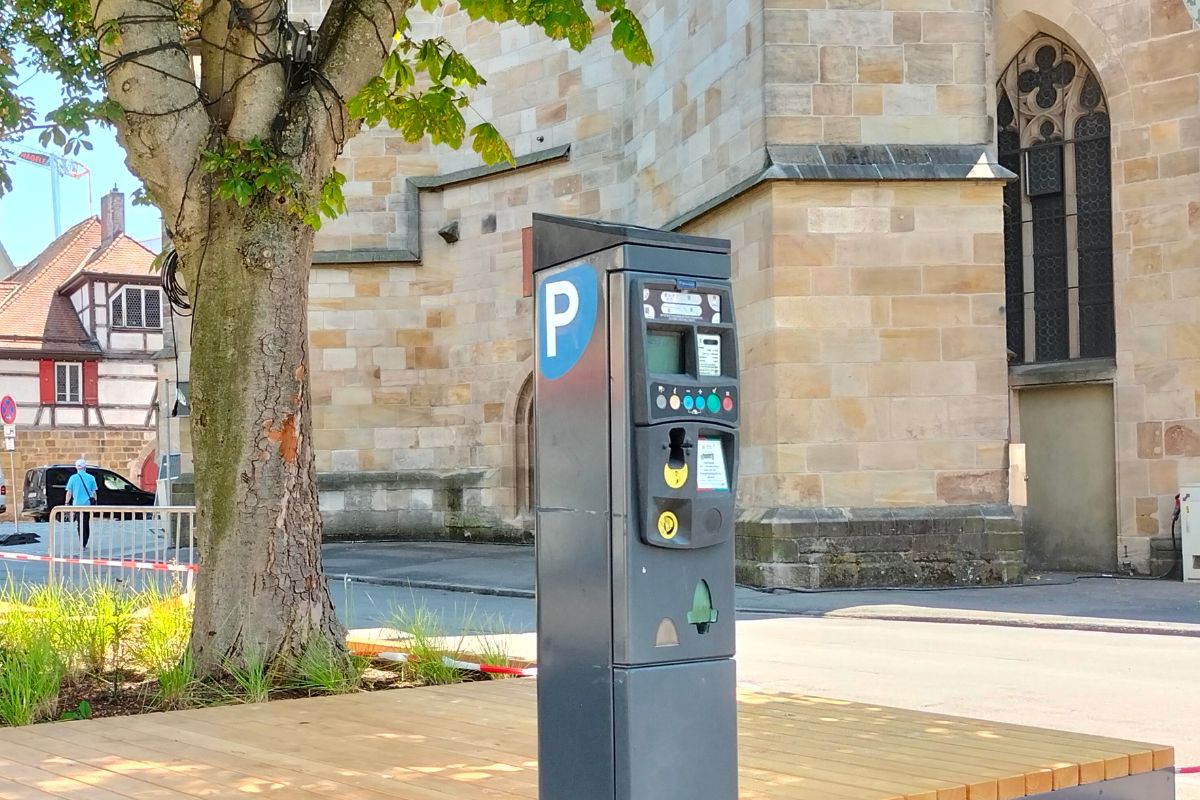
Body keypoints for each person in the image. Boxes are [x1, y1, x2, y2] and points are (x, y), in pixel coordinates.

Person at [64, 458, 98, 549]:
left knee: (80, 523)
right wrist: (95, 503)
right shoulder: (91, 478)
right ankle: (85, 541)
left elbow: (69, 493)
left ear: (77, 468)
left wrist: (67, 503)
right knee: (86, 522)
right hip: (87, 504)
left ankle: (82, 541)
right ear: (85, 467)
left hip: (77, 505)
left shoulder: (73, 478)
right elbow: (94, 493)